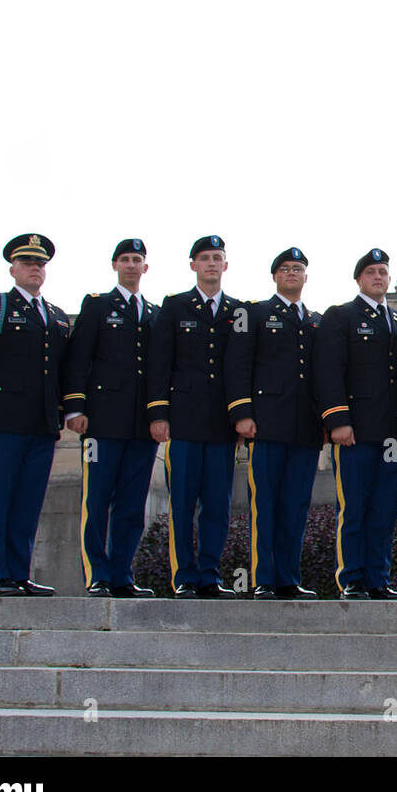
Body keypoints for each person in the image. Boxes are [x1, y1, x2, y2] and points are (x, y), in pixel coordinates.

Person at [0, 233, 69, 595]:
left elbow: (62, 371)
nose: (35, 269)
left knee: (29, 502)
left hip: (41, 424)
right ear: (13, 268)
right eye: (28, 263)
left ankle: (19, 573)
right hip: (2, 422)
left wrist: (63, 413)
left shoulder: (55, 316)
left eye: (40, 264)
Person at [62, 237, 159, 598]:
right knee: (98, 499)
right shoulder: (98, 305)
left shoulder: (153, 313)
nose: (132, 265)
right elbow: (79, 358)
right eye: (125, 260)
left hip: (140, 426)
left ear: (145, 268)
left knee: (132, 504)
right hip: (101, 423)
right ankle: (97, 573)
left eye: (138, 260)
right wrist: (76, 406)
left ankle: (122, 573)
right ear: (115, 266)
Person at [314, 248, 397, 600]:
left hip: (392, 437)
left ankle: (378, 579)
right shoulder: (340, 317)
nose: (378, 277)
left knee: (385, 509)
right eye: (371, 272)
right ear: (359, 279)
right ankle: (352, 578)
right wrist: (338, 420)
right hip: (355, 432)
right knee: (354, 507)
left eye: (383, 272)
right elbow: (328, 372)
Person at [225, 247, 322, 601]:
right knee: (264, 504)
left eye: (298, 268)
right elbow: (238, 366)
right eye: (285, 268)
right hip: (266, 424)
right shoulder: (254, 313)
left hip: (306, 429)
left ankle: (288, 578)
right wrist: (242, 413)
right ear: (275, 276)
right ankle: (263, 577)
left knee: (295, 507)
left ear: (306, 276)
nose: (292, 273)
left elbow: (321, 377)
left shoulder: (315, 320)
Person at [146, 235, 239, 599]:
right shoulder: (175, 306)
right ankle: (184, 575)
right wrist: (159, 413)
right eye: (205, 258)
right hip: (182, 422)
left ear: (226, 265)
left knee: (217, 505)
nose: (212, 264)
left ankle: (210, 574)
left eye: (217, 258)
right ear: (193, 266)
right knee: (182, 503)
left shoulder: (238, 311)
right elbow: (159, 363)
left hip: (220, 424)